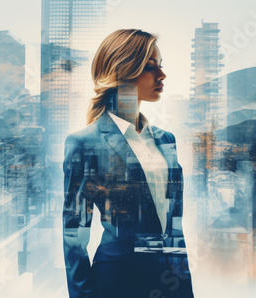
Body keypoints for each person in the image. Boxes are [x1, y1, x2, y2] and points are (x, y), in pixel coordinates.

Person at [63, 29, 194, 298]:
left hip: (171, 282)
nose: (162, 75)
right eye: (150, 66)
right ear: (123, 71)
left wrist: (184, 286)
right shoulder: (84, 143)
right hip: (116, 282)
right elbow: (74, 236)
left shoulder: (165, 139)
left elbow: (174, 226)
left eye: (161, 65)